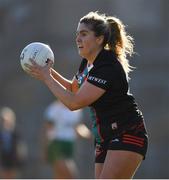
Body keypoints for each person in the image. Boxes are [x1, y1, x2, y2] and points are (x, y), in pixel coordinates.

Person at [25, 11, 148, 179]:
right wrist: (47, 71)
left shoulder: (106, 65)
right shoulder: (88, 63)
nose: (78, 39)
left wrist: (46, 77)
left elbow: (74, 103)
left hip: (127, 132)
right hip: (104, 137)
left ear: (99, 38)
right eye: (77, 34)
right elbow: (73, 89)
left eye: (84, 34)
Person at [41, 100, 91, 179]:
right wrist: (45, 149)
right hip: (56, 144)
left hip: (69, 145)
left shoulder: (76, 110)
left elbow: (78, 127)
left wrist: (89, 134)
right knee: (71, 174)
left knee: (60, 175)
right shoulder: (54, 108)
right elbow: (47, 130)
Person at [0, 107, 20, 179]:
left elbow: (19, 146)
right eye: (3, 120)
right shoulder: (1, 133)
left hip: (13, 159)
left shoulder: (15, 132)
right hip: (3, 158)